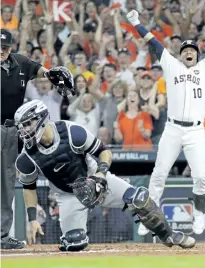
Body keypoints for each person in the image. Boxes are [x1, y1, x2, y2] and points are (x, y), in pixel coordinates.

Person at [14, 100, 195, 251]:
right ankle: (73, 240)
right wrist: (32, 219)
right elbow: (29, 188)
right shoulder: (26, 158)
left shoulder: (72, 132)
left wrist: (100, 175)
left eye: (28, 123)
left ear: (42, 118)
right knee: (75, 243)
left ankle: (169, 234)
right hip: (68, 194)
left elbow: (104, 151)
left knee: (139, 198)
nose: (24, 130)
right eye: (22, 126)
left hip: (95, 177)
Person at [126, 6, 205, 235]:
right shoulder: (171, 66)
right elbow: (154, 42)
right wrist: (136, 22)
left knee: (200, 176)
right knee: (158, 175)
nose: (189, 52)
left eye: (192, 50)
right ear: (180, 54)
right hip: (172, 129)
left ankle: (198, 216)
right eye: (185, 50)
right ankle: (148, 218)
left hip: (196, 132)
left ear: (197, 54)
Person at [1, 28, 73, 249]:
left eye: (4, 47)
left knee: (6, 184)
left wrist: (53, 74)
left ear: (11, 47)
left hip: (11, 131)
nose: (1, 51)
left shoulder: (20, 63)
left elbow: (42, 72)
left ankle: (2, 236)